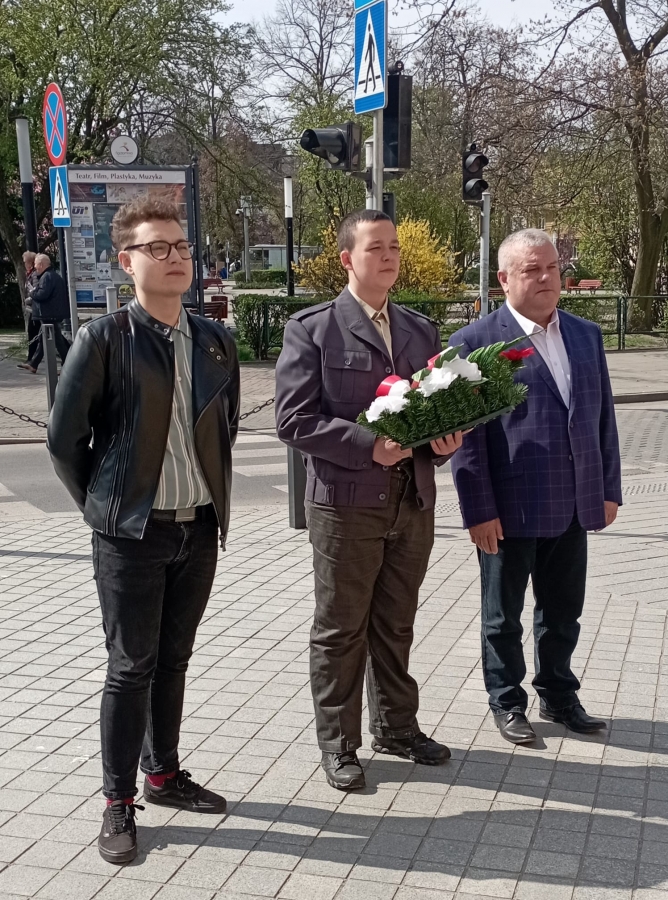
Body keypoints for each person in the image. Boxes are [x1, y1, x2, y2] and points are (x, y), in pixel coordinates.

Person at [47, 195, 240, 864]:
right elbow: (64, 440)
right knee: (131, 667)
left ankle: (164, 774)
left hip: (198, 529)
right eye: (158, 248)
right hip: (131, 536)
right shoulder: (105, 339)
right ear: (126, 261)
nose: (175, 257)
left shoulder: (215, 340)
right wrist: (107, 507)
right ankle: (118, 799)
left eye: (181, 246)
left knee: (175, 659)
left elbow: (224, 428)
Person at [275, 209, 465, 791]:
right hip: (346, 503)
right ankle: (339, 743)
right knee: (341, 628)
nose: (389, 257)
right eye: (376, 247)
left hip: (412, 501)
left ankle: (396, 727)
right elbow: (293, 420)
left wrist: (444, 441)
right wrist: (367, 445)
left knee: (396, 623)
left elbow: (431, 408)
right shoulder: (313, 329)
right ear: (346, 259)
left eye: (395, 247)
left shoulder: (419, 330)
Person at [449, 229, 622, 745]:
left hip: (574, 502)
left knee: (563, 611)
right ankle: (507, 701)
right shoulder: (474, 343)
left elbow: (602, 419)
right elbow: (468, 439)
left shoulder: (586, 335)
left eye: (552, 268)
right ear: (504, 279)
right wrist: (478, 510)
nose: (546, 277)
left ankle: (559, 695)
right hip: (509, 508)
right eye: (532, 270)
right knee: (503, 617)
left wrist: (607, 488)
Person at [17, 253, 70, 373]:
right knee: (43, 339)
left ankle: (68, 365)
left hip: (49, 313)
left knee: (58, 341)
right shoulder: (52, 275)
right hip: (51, 313)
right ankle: (34, 363)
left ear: (41, 265)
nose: (35, 267)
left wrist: (32, 293)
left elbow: (42, 294)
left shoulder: (46, 277)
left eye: (36, 264)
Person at [19, 251, 41, 365]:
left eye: (25, 262)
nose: (24, 264)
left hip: (36, 308)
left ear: (30, 263)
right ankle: (32, 360)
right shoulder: (30, 274)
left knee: (33, 333)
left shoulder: (34, 275)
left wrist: (27, 301)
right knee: (34, 334)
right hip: (33, 309)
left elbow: (35, 292)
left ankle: (31, 359)